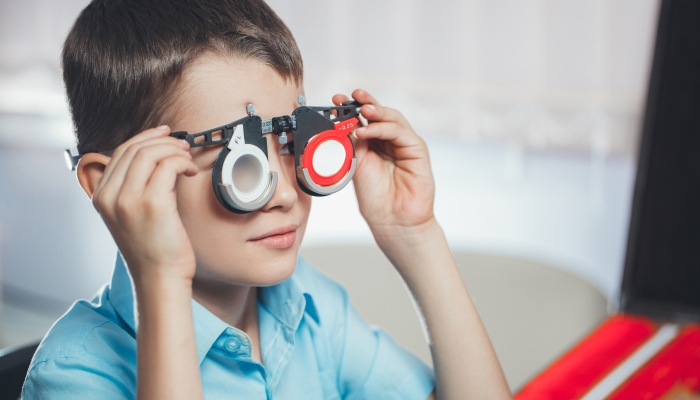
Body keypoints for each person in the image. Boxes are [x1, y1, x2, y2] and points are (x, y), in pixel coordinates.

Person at [22, 0, 510, 398]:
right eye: (243, 166)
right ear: (110, 183)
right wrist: (162, 277)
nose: (283, 193)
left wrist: (414, 233)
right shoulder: (74, 374)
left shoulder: (309, 305)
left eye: (295, 145)